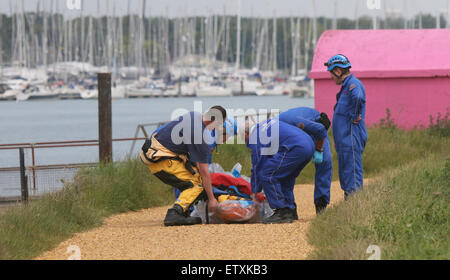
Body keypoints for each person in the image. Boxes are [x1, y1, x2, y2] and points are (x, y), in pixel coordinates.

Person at [140, 106, 227, 226]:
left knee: (194, 177)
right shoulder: (199, 137)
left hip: (153, 152)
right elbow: (205, 172)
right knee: (196, 184)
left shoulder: (194, 115)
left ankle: (185, 212)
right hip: (162, 160)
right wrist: (212, 199)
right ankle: (175, 213)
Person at [244, 118, 315, 223]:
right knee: (285, 176)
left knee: (267, 174)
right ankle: (290, 210)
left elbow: (257, 165)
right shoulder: (266, 125)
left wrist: (254, 192)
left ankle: (281, 211)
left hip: (296, 147)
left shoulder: (256, 135)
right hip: (308, 144)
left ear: (246, 134)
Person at [324, 54, 368, 199]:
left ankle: (355, 202)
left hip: (351, 137)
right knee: (345, 171)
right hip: (344, 140)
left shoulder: (353, 84)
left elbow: (359, 98)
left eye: (331, 73)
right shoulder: (345, 87)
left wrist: (354, 116)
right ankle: (349, 200)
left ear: (337, 71)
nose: (331, 77)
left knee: (352, 171)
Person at [278, 107, 332, 214]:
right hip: (297, 132)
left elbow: (322, 129)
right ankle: (289, 208)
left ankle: (321, 205)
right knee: (288, 168)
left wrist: (318, 150)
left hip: (314, 126)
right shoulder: (278, 129)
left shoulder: (296, 122)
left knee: (325, 162)